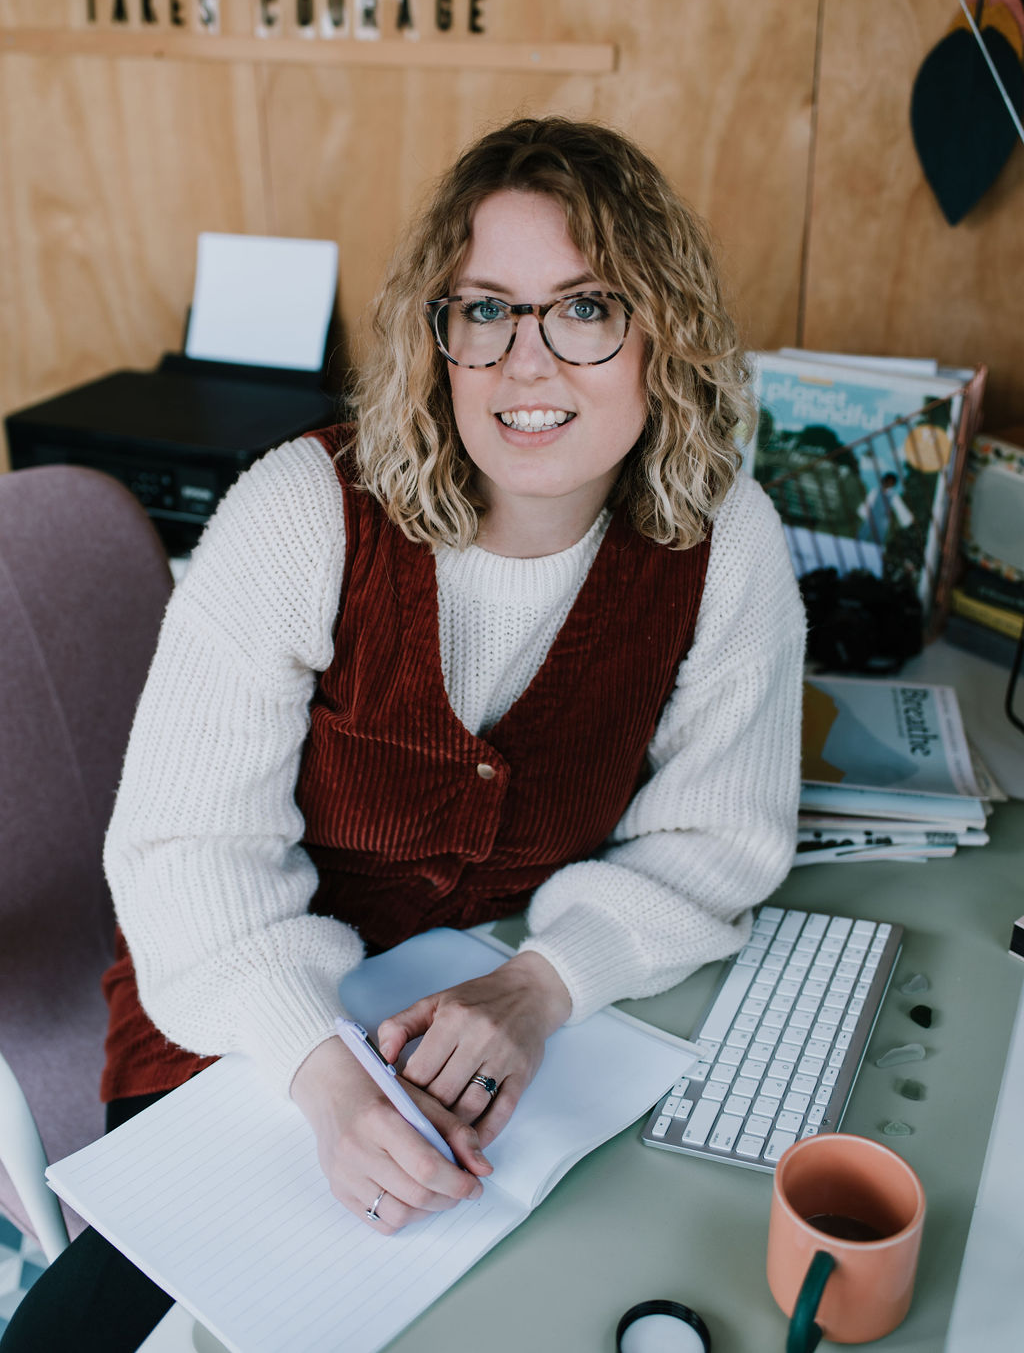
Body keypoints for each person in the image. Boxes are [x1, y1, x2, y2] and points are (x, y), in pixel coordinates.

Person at [3, 116, 805, 1350]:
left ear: (662, 332)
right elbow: (184, 857)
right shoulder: (302, 513)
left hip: (519, 1038)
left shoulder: (722, 538)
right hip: (238, 1021)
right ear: (438, 340)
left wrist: (540, 986)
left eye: (584, 309)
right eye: (484, 311)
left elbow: (718, 838)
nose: (526, 363)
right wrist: (323, 1073)